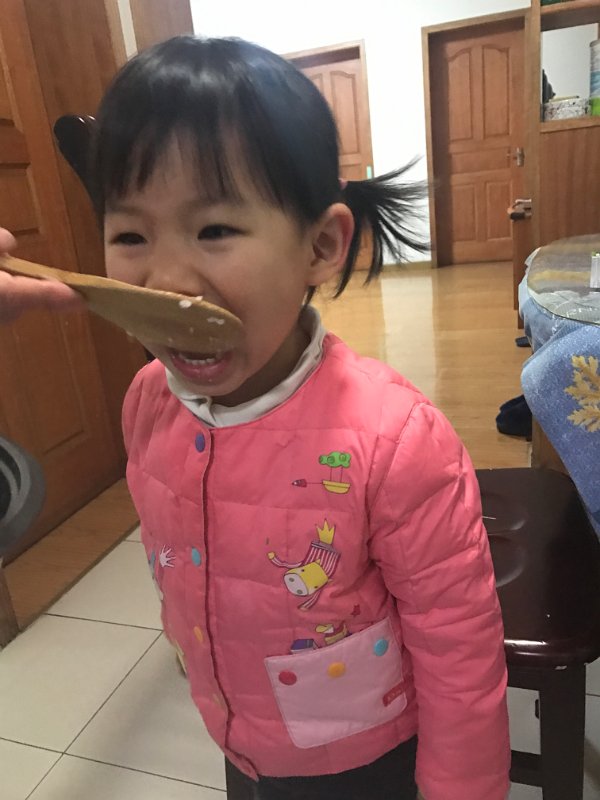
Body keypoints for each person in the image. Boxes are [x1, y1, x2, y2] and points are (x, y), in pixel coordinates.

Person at [0, 36, 509, 800]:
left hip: (365, 760)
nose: (167, 280)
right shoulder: (147, 401)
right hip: (239, 734)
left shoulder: (395, 441)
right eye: (130, 235)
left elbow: (459, 648)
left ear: (320, 246)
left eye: (213, 231)